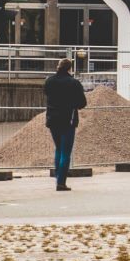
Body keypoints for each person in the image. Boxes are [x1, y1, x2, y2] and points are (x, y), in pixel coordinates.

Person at [42, 57, 88, 191]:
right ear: (70, 69)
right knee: (66, 152)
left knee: (58, 149)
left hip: (52, 119)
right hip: (68, 120)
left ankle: (58, 177)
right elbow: (82, 103)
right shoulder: (74, 83)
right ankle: (61, 182)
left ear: (58, 67)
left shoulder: (49, 81)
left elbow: (46, 94)